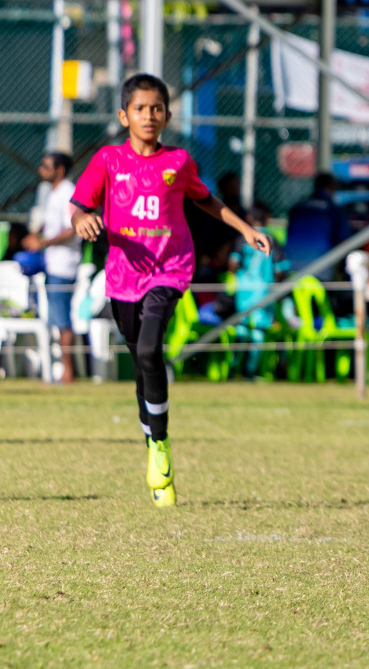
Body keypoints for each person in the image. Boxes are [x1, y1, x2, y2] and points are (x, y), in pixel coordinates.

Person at [70, 73, 270, 508]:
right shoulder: (107, 159)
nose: (149, 115)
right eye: (140, 108)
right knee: (141, 366)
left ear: (167, 115)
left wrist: (245, 228)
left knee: (149, 351)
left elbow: (205, 199)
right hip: (123, 275)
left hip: (170, 269)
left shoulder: (178, 161)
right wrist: (81, 220)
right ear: (124, 115)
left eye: (156, 108)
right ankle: (151, 439)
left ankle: (159, 445)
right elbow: (78, 204)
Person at [23, 153, 83, 382]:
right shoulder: (54, 192)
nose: (41, 169)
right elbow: (50, 225)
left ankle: (68, 372)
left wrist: (42, 242)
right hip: (52, 263)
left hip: (64, 266)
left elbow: (72, 228)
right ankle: (65, 370)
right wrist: (36, 235)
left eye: (46, 166)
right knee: (57, 318)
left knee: (62, 318)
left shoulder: (68, 192)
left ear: (59, 170)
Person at [228, 201, 289, 379]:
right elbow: (280, 271)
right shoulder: (273, 240)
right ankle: (249, 373)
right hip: (263, 293)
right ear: (268, 218)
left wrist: (236, 275)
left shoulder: (242, 238)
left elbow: (233, 263)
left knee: (241, 329)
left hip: (243, 292)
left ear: (248, 219)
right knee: (258, 332)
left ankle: (232, 370)